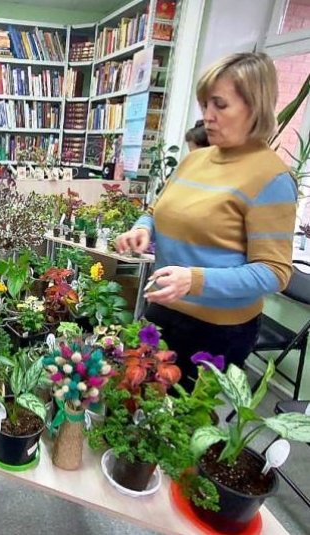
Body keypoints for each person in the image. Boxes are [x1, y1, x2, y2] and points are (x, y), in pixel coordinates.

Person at [116, 52, 297, 385]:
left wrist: (195, 281)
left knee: (185, 428)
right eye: (205, 105)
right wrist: (141, 228)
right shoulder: (195, 161)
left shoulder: (271, 179)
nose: (208, 117)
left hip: (217, 331)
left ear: (254, 107)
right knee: (133, 405)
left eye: (220, 106)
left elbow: (275, 272)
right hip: (162, 308)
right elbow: (157, 209)